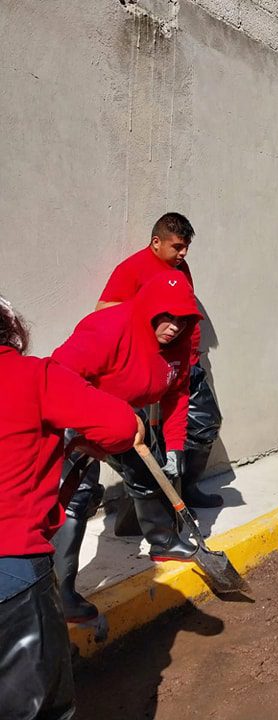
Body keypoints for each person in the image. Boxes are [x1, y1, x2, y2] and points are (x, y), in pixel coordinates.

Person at [0, 293, 141, 720]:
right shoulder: (33, 375)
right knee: (34, 708)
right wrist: (80, 442)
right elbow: (123, 426)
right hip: (13, 571)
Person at [50, 270, 202, 622]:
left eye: (183, 320)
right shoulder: (108, 329)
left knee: (149, 472)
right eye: (167, 316)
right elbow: (58, 376)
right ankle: (61, 595)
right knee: (78, 497)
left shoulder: (178, 344)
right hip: (79, 416)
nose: (174, 326)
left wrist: (177, 447)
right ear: (149, 308)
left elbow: (177, 394)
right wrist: (90, 429)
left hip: (124, 417)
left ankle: (163, 541)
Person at [96, 212, 223, 509]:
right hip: (148, 366)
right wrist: (145, 311)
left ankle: (186, 489)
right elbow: (103, 310)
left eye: (186, 247)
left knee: (205, 425)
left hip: (187, 365)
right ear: (156, 242)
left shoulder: (182, 268)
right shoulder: (133, 268)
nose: (183, 253)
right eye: (177, 247)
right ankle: (151, 507)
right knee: (146, 440)